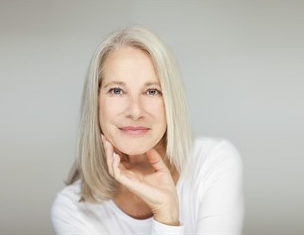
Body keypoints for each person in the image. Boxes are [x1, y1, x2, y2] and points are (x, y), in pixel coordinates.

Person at [51, 26, 244, 234]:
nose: (135, 111)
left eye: (152, 91)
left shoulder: (213, 162)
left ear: (170, 101)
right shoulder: (73, 209)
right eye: (117, 90)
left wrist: (166, 213)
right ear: (96, 102)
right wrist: (166, 218)